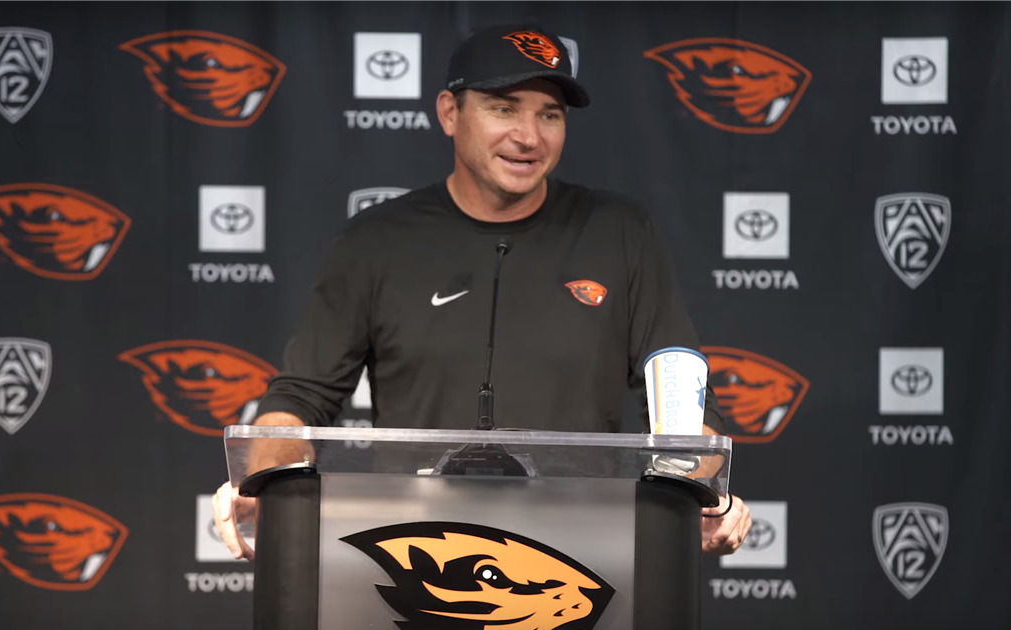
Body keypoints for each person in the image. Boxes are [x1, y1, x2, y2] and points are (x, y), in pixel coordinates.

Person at [213, 22, 750, 559]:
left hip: (582, 558)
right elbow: (300, 398)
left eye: (550, 115)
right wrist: (262, 480)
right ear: (450, 113)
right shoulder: (375, 239)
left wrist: (704, 493)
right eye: (503, 108)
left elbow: (683, 400)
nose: (529, 137)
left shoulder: (619, 231)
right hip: (409, 554)